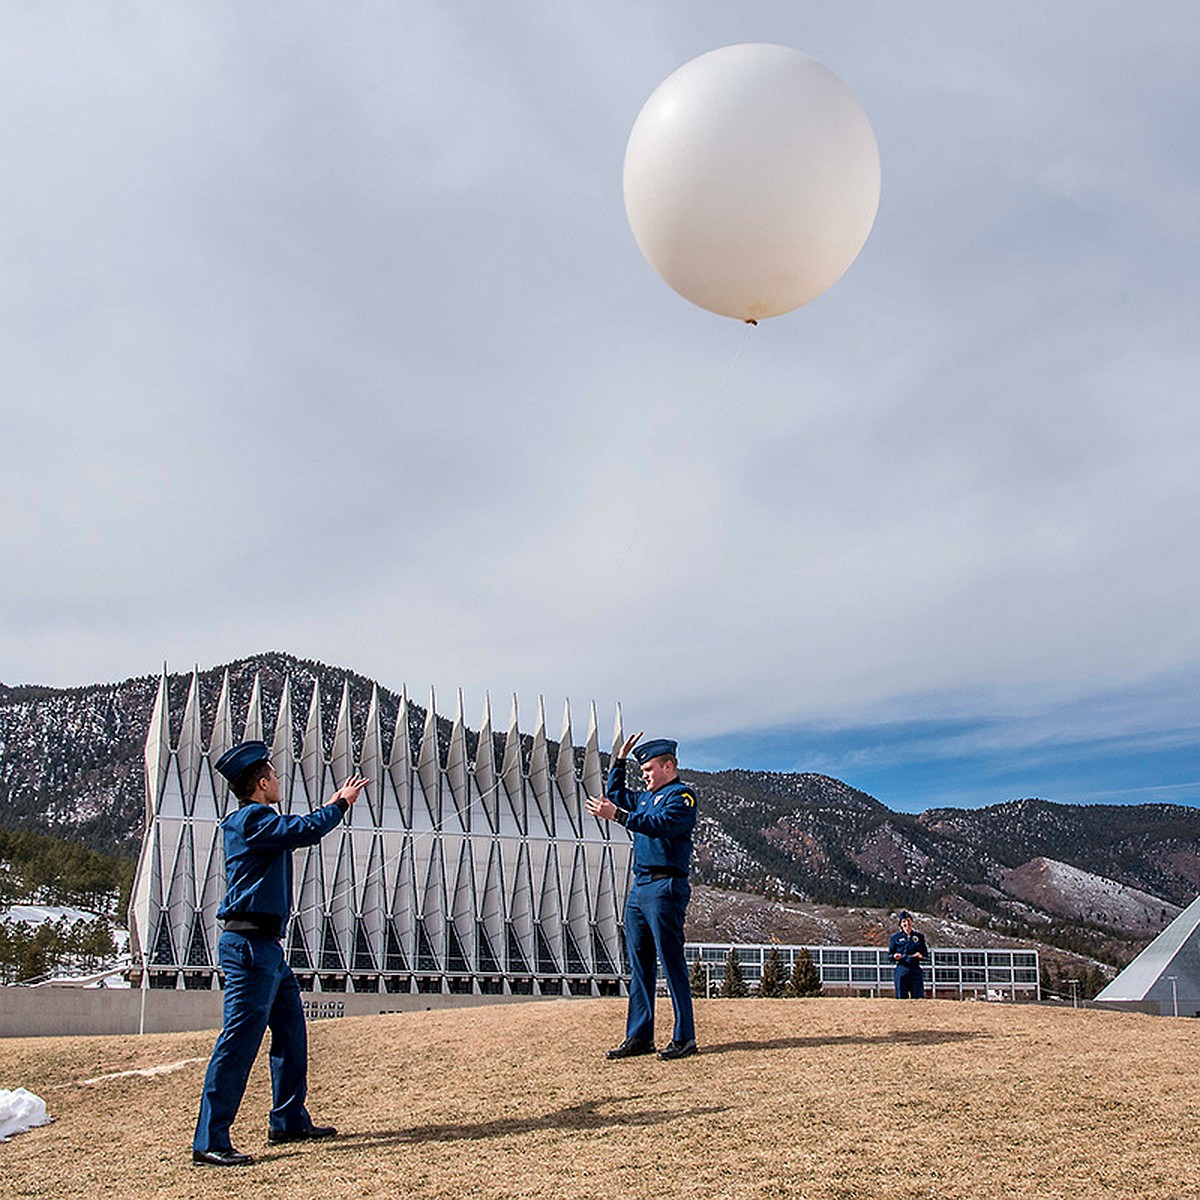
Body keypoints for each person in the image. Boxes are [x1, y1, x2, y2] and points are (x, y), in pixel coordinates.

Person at [191, 740, 367, 1167]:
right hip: (250, 948)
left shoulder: (255, 821)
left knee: (291, 1030)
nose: (280, 782)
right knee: (238, 1041)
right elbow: (303, 832)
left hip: (266, 947)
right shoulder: (252, 819)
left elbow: (295, 830)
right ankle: (210, 1140)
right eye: (275, 776)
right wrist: (340, 805)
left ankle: (287, 1120)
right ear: (263, 782)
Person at [586, 731, 698, 1061]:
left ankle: (684, 1037)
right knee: (640, 964)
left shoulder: (682, 797)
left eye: (648, 769)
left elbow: (660, 825)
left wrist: (618, 817)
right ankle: (639, 1036)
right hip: (640, 887)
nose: (645, 776)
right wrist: (619, 761)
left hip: (666, 887)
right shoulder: (646, 798)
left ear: (668, 766)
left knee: (671, 962)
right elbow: (616, 795)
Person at [888, 910, 929, 999]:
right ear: (900, 924)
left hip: (915, 969)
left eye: (908, 920)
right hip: (902, 968)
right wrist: (895, 956)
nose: (907, 923)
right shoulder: (895, 938)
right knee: (901, 996)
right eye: (904, 921)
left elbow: (925, 954)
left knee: (918, 997)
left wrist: (921, 956)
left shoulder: (919, 937)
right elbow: (890, 956)